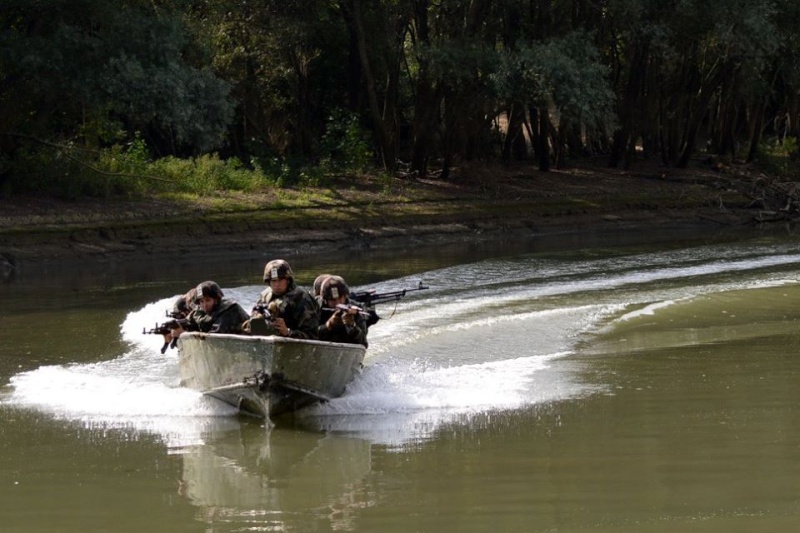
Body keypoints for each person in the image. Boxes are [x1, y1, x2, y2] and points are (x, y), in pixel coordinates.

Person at [249, 259, 319, 339]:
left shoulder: (302, 298)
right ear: (268, 282)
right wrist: (257, 319)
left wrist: (287, 332)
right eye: (273, 280)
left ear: (288, 280)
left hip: (295, 347)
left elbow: (313, 337)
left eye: (281, 280)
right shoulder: (265, 295)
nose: (277, 284)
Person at [171, 281, 249, 336]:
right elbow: (190, 323)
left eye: (208, 300)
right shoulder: (199, 312)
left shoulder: (230, 310)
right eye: (201, 301)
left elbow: (214, 338)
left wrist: (183, 334)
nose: (204, 304)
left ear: (216, 300)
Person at [317, 276, 368, 347]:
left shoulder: (356, 309)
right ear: (325, 300)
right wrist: (328, 326)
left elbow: (363, 344)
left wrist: (352, 326)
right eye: (332, 300)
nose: (337, 303)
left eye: (340, 298)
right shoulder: (315, 307)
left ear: (345, 296)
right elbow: (309, 337)